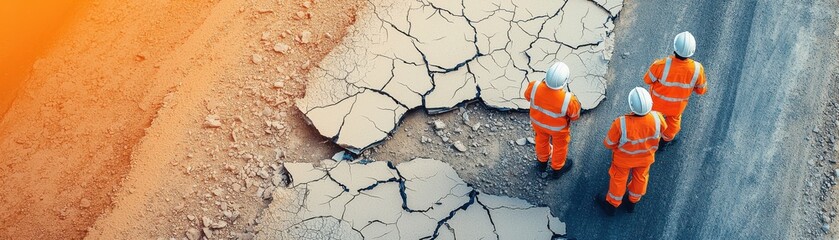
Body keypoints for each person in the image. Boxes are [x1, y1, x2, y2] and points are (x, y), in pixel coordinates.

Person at [596, 87, 666, 215]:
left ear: (631, 105)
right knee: (640, 178)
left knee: (618, 180)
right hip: (645, 158)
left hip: (623, 161)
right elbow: (663, 130)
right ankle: (632, 202)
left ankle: (612, 205)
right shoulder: (658, 118)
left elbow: (608, 143)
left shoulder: (621, 123)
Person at [643, 31, 707, 147]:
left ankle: (647, 138)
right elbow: (701, 90)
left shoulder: (660, 65)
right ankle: (665, 141)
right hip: (676, 107)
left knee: (651, 120)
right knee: (673, 125)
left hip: (656, 104)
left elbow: (647, 80)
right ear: (692, 51)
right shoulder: (698, 69)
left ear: (675, 48)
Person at [523, 62, 581, 179]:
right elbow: (575, 116)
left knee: (541, 141)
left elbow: (527, 96)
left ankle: (542, 163)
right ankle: (557, 169)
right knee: (560, 147)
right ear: (564, 81)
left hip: (538, 124)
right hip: (558, 131)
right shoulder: (568, 100)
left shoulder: (534, 86)